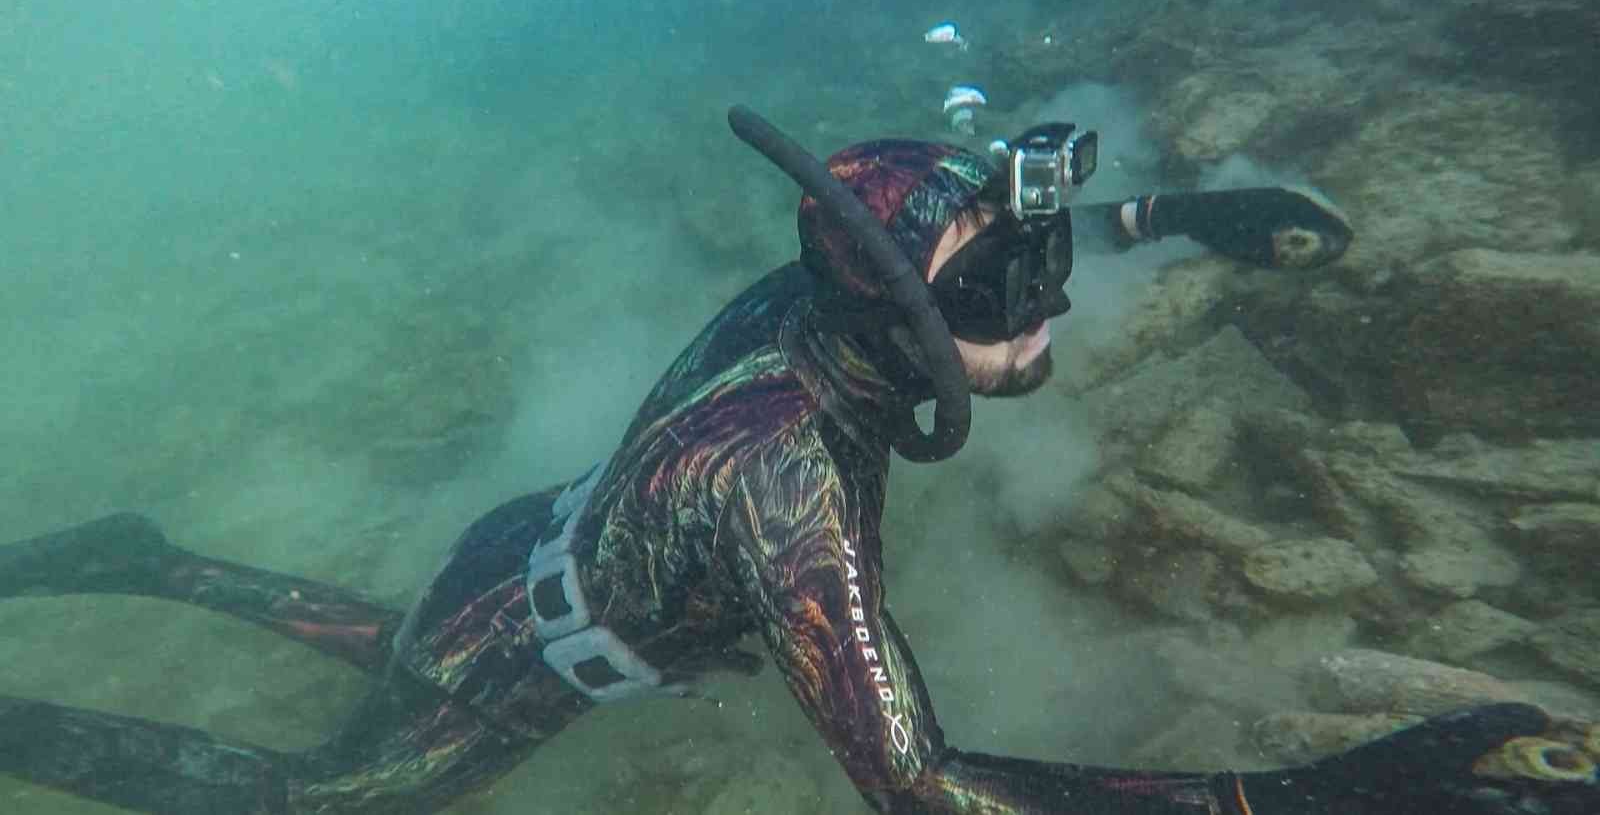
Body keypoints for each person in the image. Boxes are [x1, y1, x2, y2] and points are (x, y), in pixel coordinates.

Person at [1, 108, 1592, 814]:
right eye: (1004, 290)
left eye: (1038, 262)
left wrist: (1179, 218)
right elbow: (918, 785)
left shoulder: (823, 290)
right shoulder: (789, 489)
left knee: (401, 637)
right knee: (321, 794)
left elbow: (977, 235)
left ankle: (153, 557)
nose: (1045, 303)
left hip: (522, 556)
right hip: (542, 654)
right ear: (895, 313)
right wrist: (1290, 800)